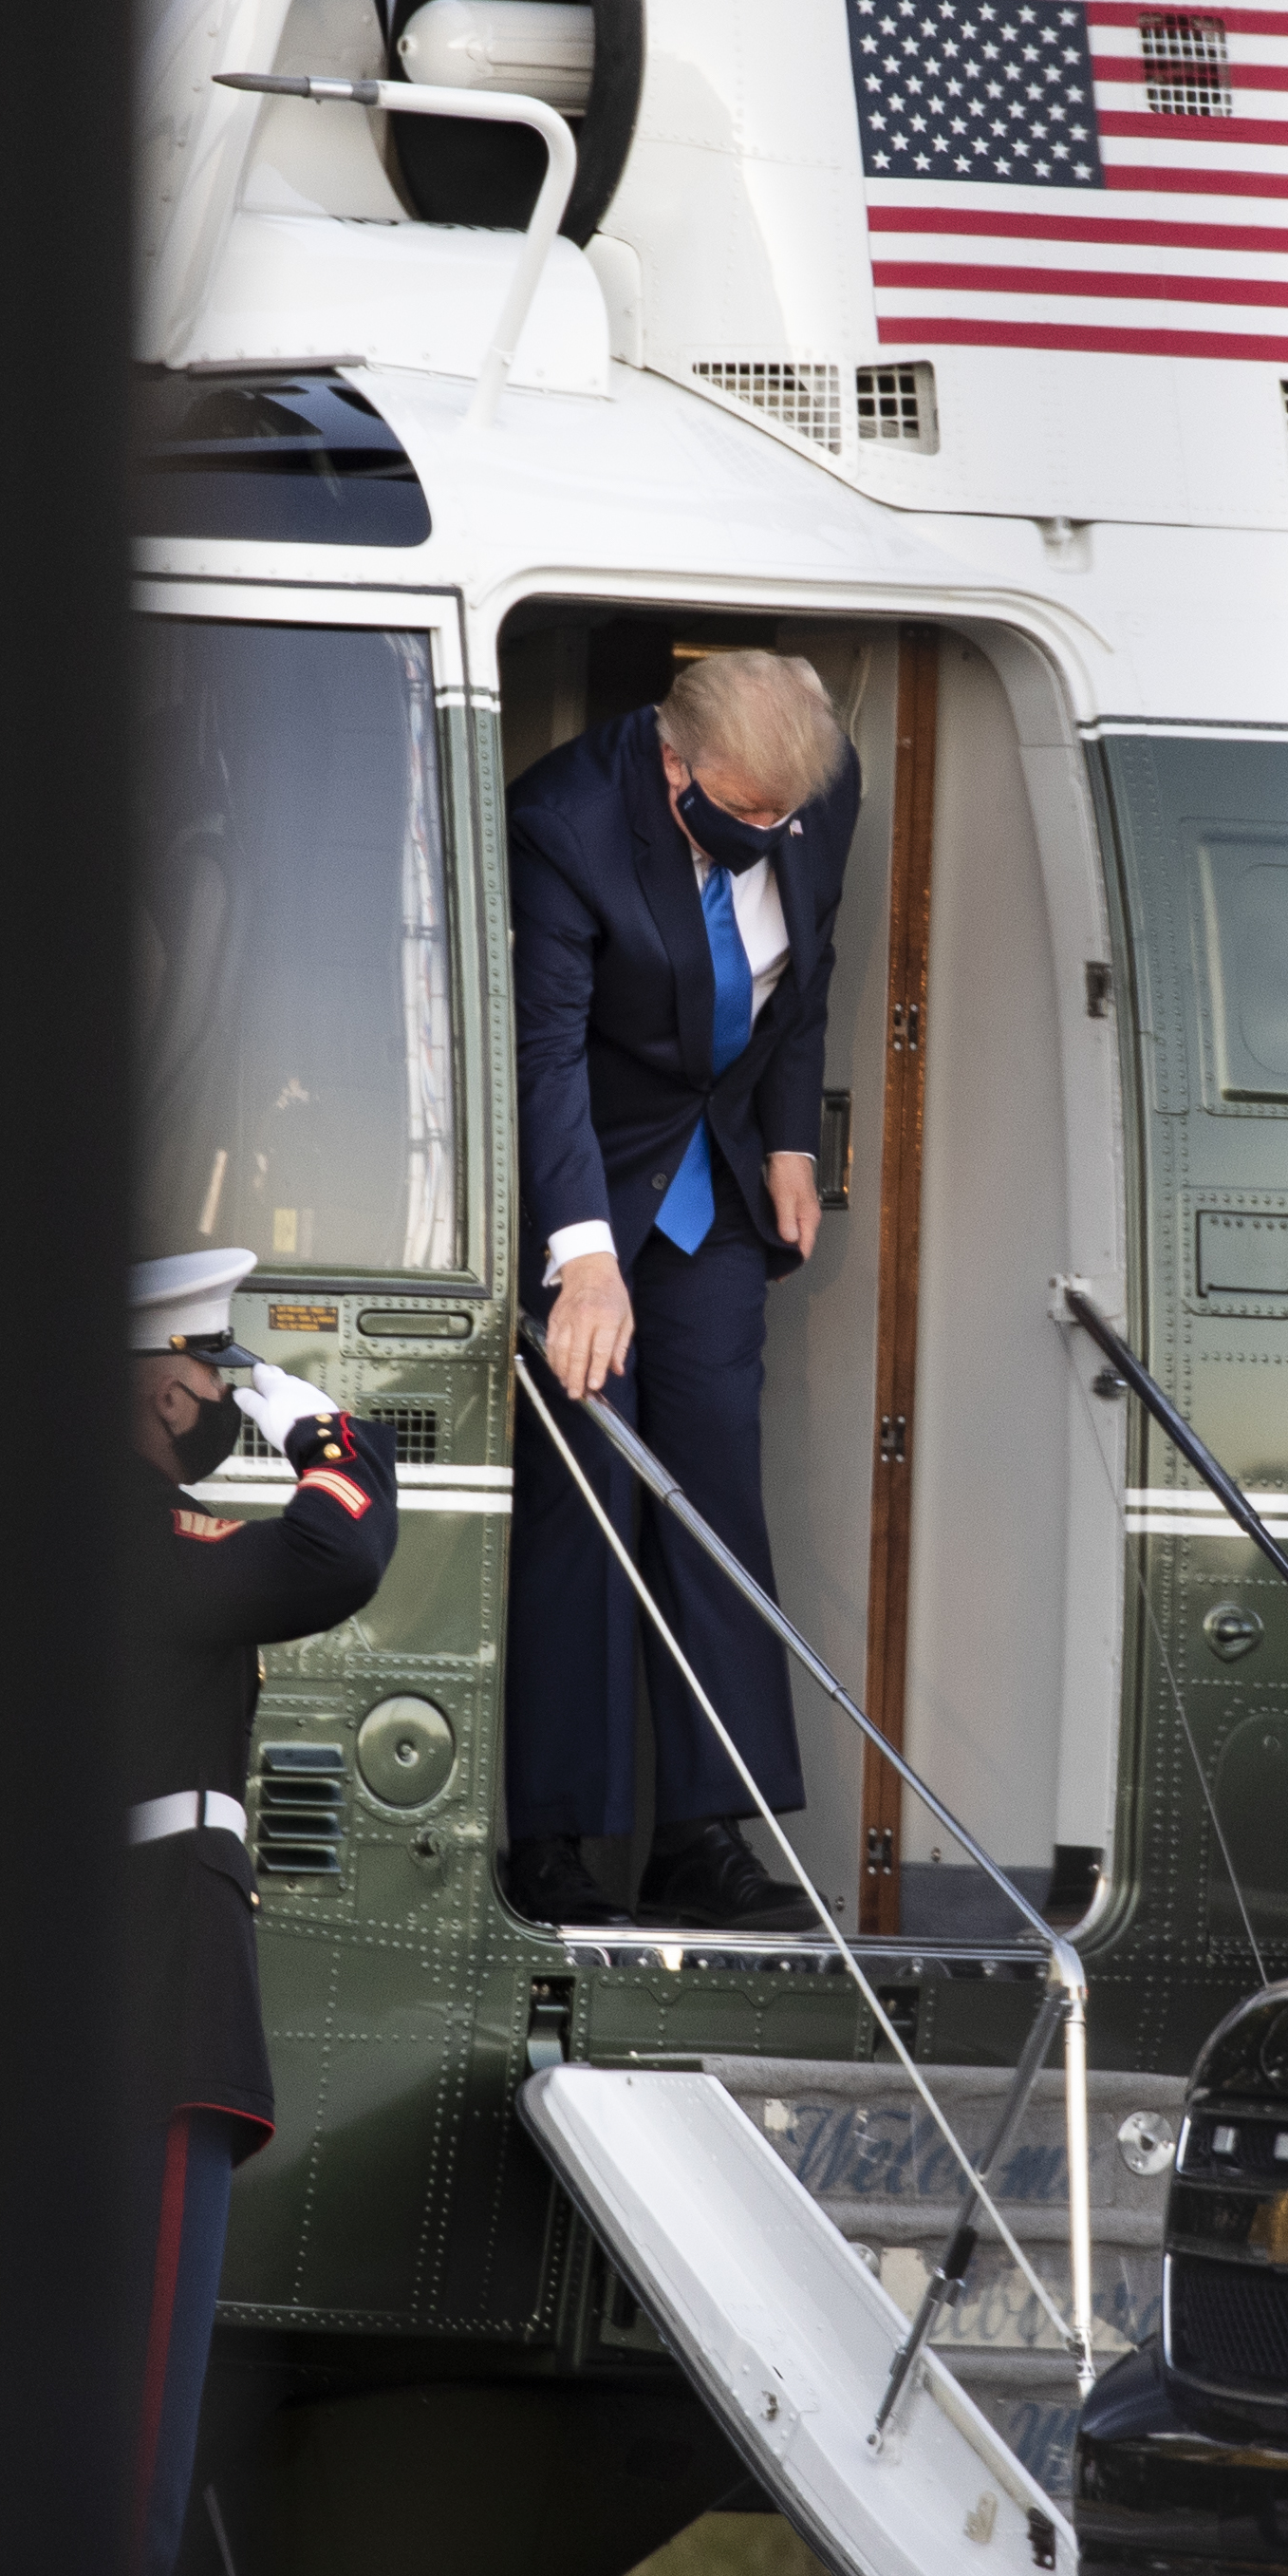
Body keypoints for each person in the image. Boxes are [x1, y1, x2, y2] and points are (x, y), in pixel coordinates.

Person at [120, 1246, 399, 2576]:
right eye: (205, 1358)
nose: (222, 1383)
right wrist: (330, 1434)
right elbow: (332, 1554)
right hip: (149, 2009)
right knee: (132, 2461)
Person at [502, 647, 860, 1932]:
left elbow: (803, 971)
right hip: (585, 1174)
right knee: (582, 1497)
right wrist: (581, 1257)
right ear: (673, 764)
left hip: (706, 1176)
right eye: (745, 813)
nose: (770, 832)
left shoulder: (818, 785)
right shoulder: (564, 827)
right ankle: (554, 1837)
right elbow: (541, 1057)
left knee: (714, 1485)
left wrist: (788, 1141)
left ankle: (704, 1834)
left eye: (785, 815)